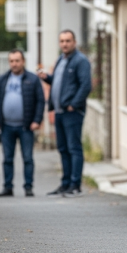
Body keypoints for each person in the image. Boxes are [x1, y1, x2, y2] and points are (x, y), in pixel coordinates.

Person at [38, 30, 92, 198]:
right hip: (60, 111)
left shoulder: (80, 60)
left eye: (68, 41)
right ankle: (66, 183)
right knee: (63, 149)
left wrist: (73, 105)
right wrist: (47, 77)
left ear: (74, 42)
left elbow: (85, 86)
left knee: (74, 148)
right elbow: (58, 82)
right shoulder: (61, 59)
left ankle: (75, 185)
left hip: (72, 112)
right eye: (62, 41)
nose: (65, 44)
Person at [0, 49, 45, 197]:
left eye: (17, 61)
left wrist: (37, 120)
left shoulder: (32, 79)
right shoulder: (3, 79)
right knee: (7, 159)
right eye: (11, 61)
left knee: (27, 158)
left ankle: (28, 187)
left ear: (23, 62)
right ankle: (7, 187)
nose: (14, 64)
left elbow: (40, 101)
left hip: (26, 126)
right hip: (6, 126)